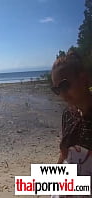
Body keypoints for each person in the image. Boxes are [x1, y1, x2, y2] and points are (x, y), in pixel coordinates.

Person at [50, 50, 92, 198]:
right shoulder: (68, 115)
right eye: (56, 89)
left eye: (65, 85)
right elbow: (65, 153)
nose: (61, 94)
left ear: (84, 78)